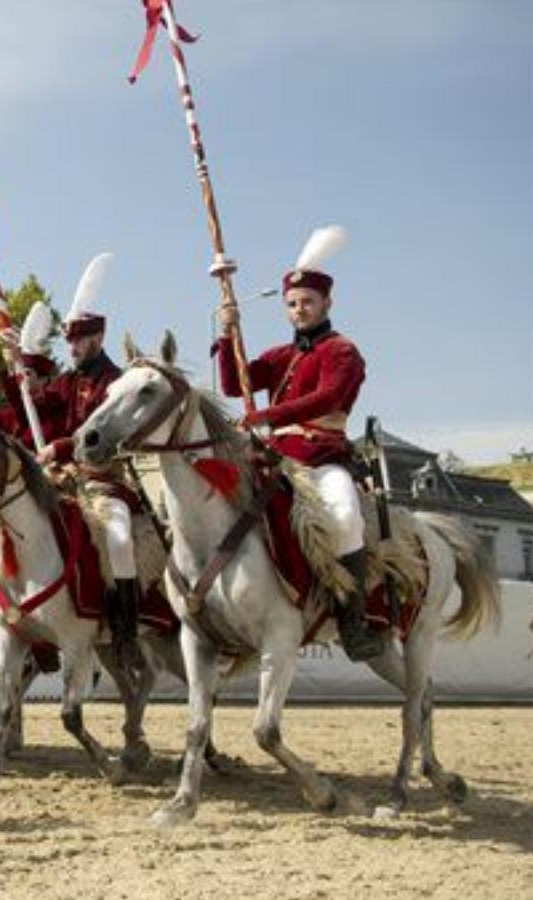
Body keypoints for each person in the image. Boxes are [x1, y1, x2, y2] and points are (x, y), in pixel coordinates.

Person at [215, 225, 382, 661]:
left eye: (307, 302)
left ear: (327, 302)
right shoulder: (279, 356)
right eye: (292, 304)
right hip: (277, 458)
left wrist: (264, 416)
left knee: (345, 517)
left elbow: (326, 398)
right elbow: (236, 385)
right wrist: (226, 334)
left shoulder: (342, 351)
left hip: (324, 456)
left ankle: (353, 618)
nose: (299, 309)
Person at [25, 254, 145, 675]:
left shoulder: (115, 381)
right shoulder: (68, 379)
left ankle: (126, 630)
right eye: (69, 341)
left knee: (118, 538)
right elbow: (38, 407)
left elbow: (96, 437)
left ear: (97, 338)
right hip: (63, 481)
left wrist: (59, 448)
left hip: (104, 480)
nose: (72, 348)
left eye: (78, 341)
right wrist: (18, 370)